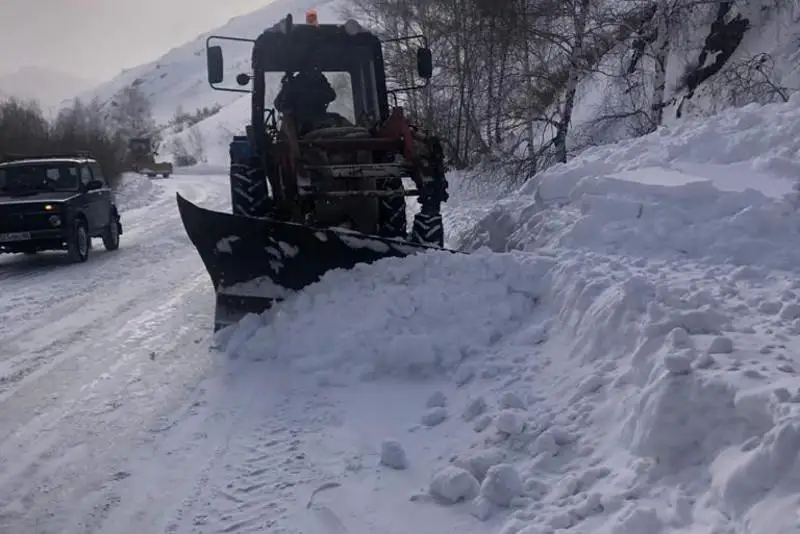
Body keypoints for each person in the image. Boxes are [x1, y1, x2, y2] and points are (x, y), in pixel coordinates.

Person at [273, 67, 352, 135]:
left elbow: (331, 95)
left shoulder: (337, 120)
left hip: (322, 120)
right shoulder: (292, 127)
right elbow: (279, 104)